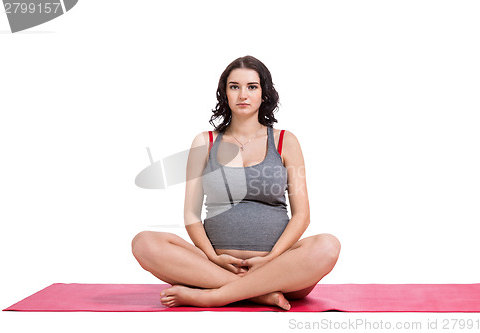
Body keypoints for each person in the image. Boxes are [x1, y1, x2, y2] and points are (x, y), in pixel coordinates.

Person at [131, 55, 341, 311]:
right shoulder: (204, 142)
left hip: (279, 269)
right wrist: (212, 257)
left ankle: (214, 296)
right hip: (210, 267)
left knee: (328, 246)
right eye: (234, 86)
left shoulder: (287, 141)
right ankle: (258, 294)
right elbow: (190, 213)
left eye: (252, 86)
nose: (243, 94)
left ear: (264, 93)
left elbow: (302, 216)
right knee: (144, 242)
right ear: (225, 93)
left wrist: (271, 260)